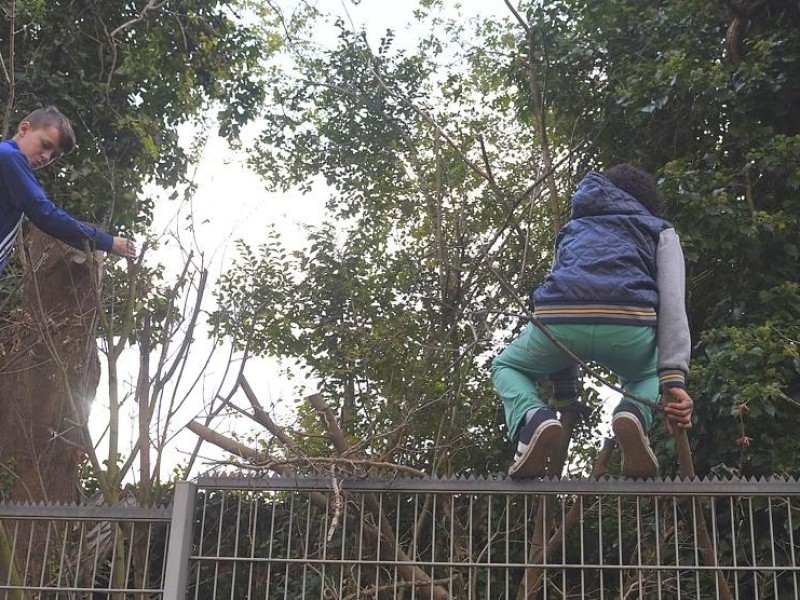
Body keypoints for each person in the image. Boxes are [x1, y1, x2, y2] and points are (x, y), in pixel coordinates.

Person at [491, 164, 694, 478]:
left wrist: (565, 389)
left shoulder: (572, 230)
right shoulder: (660, 229)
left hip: (559, 322)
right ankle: (633, 413)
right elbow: (672, 300)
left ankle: (532, 418)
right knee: (649, 373)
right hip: (629, 324)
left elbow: (558, 282)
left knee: (506, 366)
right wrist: (673, 378)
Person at [0, 106, 136, 275]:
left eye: (54, 155)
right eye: (45, 145)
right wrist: (108, 242)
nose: (46, 157)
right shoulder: (9, 157)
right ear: (24, 129)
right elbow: (45, 214)